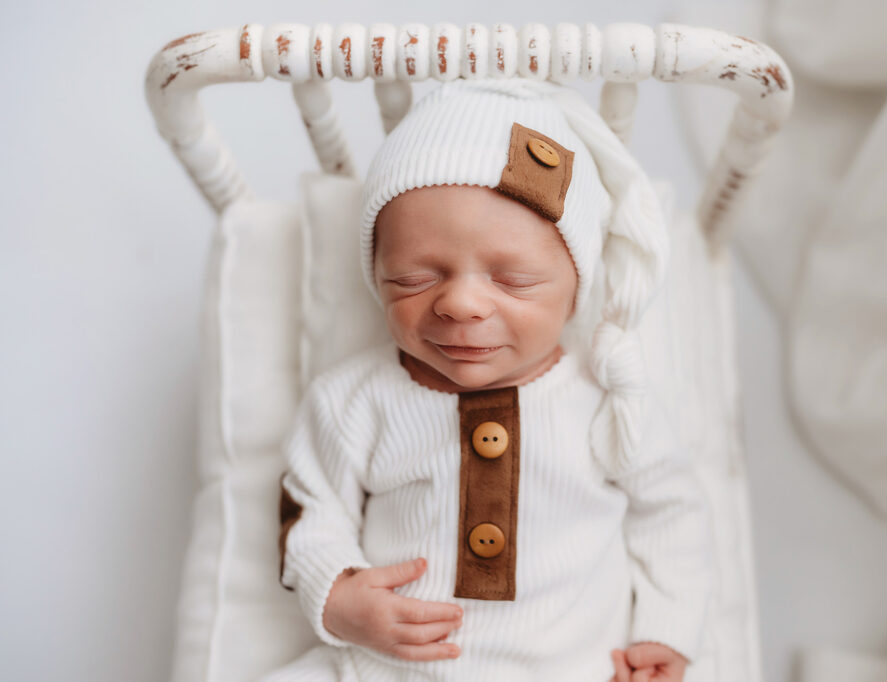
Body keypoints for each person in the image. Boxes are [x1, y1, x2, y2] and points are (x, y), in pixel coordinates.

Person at [265, 77, 714, 682]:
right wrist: (340, 597)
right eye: (414, 278)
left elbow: (673, 515)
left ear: (577, 286)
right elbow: (308, 508)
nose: (462, 305)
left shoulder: (608, 399)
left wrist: (667, 631)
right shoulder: (354, 401)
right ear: (375, 276)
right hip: (382, 668)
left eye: (514, 280)